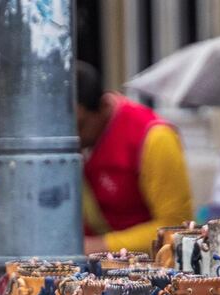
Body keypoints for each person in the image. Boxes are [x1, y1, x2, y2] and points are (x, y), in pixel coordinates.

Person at [74, 61, 192, 255]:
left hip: (151, 271)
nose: (73, 136)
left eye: (80, 125)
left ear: (103, 106)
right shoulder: (85, 144)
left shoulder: (155, 138)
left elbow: (177, 226)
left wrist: (100, 246)